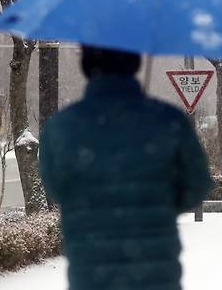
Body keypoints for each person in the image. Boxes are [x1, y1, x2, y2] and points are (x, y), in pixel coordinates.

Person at [39, 45, 212, 290]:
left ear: (86, 66)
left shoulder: (61, 127)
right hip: (155, 275)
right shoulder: (168, 121)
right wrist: (157, 204)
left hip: (91, 275)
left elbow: (56, 189)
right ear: (135, 63)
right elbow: (197, 185)